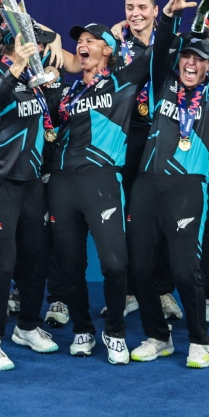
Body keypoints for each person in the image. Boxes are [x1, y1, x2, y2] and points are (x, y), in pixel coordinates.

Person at [127, 0, 209, 369]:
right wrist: (169, 14)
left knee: (185, 270)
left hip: (188, 187)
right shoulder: (162, 84)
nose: (191, 63)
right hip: (147, 183)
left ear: (207, 66)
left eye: (199, 59)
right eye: (186, 57)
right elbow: (160, 51)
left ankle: (200, 340)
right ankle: (158, 336)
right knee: (138, 269)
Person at [45, 22, 152, 363]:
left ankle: (116, 332)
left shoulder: (122, 82)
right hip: (62, 184)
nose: (82, 45)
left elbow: (154, 54)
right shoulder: (64, 92)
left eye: (91, 41)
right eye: (79, 41)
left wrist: (167, 14)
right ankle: (82, 330)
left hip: (103, 181)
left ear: (108, 50)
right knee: (70, 266)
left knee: (115, 263)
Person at [0, 31, 60, 370]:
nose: (41, 47)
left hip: (31, 184)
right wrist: (14, 68)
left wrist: (48, 81)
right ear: (17, 44)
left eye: (41, 43)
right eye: (36, 42)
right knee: (1, 264)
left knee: (36, 259)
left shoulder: (33, 79)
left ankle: (27, 326)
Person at [109, 0, 182, 321]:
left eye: (141, 7)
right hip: (126, 136)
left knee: (163, 213)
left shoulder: (171, 43)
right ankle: (127, 291)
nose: (134, 13)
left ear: (156, 11)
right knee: (125, 212)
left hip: (163, 132)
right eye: (129, 7)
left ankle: (164, 290)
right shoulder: (114, 47)